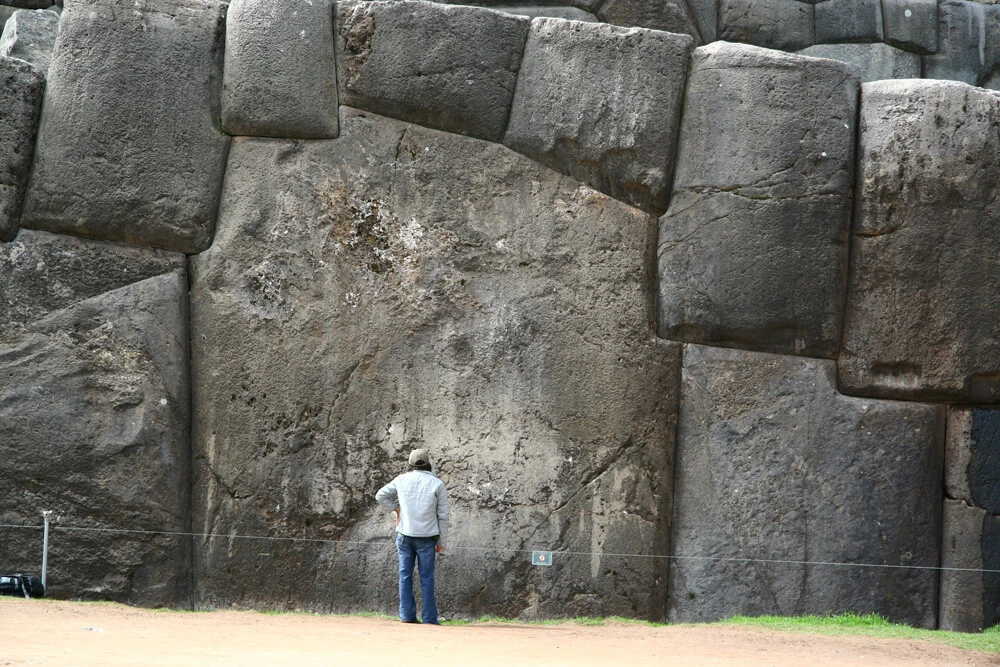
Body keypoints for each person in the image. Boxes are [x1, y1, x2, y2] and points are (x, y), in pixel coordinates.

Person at [375, 448, 450, 624]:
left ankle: (407, 616)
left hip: (405, 534)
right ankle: (429, 618)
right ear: (428, 463)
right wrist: (441, 541)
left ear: (410, 464)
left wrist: (396, 509)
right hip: (427, 537)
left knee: (405, 575)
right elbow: (443, 516)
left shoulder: (401, 480)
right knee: (427, 577)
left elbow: (380, 495)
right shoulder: (437, 484)